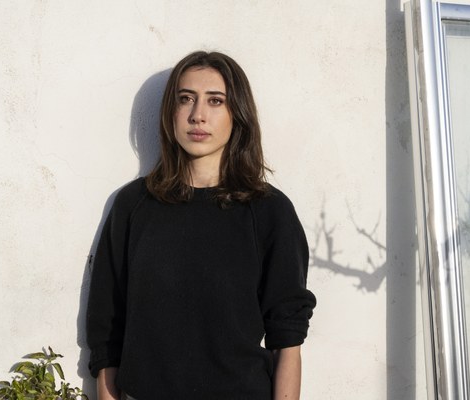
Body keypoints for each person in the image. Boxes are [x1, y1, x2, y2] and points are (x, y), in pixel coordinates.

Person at [86, 50, 316, 400]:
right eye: (186, 99)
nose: (198, 115)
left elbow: (287, 337)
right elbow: (107, 327)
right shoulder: (134, 205)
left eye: (215, 101)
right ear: (171, 111)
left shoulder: (269, 211)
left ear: (237, 114)